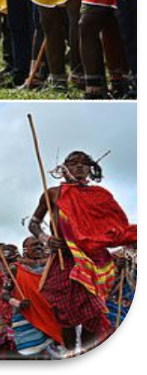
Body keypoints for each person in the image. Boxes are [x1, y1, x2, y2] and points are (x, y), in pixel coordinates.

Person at [28, 151, 137, 357]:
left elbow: (115, 226)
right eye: (73, 163)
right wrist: (46, 239)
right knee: (64, 312)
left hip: (95, 261)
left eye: (84, 164)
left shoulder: (101, 196)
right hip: (65, 259)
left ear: (90, 168)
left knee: (93, 313)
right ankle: (70, 352)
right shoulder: (52, 194)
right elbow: (33, 223)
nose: (79, 167)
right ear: (64, 168)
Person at [8, 236, 63, 357]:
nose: (39, 247)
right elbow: (4, 293)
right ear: (25, 249)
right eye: (34, 245)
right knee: (30, 353)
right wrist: (18, 303)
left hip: (51, 315)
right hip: (27, 316)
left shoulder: (53, 265)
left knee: (55, 352)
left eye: (41, 245)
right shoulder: (15, 268)